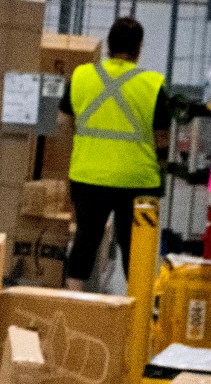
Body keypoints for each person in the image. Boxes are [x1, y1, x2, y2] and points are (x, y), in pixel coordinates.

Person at [60, 15, 171, 287]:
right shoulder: (152, 84)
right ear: (139, 47)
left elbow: (63, 122)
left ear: (108, 44)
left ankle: (73, 309)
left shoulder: (82, 76)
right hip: (138, 181)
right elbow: (162, 137)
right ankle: (136, 315)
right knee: (135, 251)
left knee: (85, 241)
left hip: (89, 176)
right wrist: (162, 165)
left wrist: (82, 147)